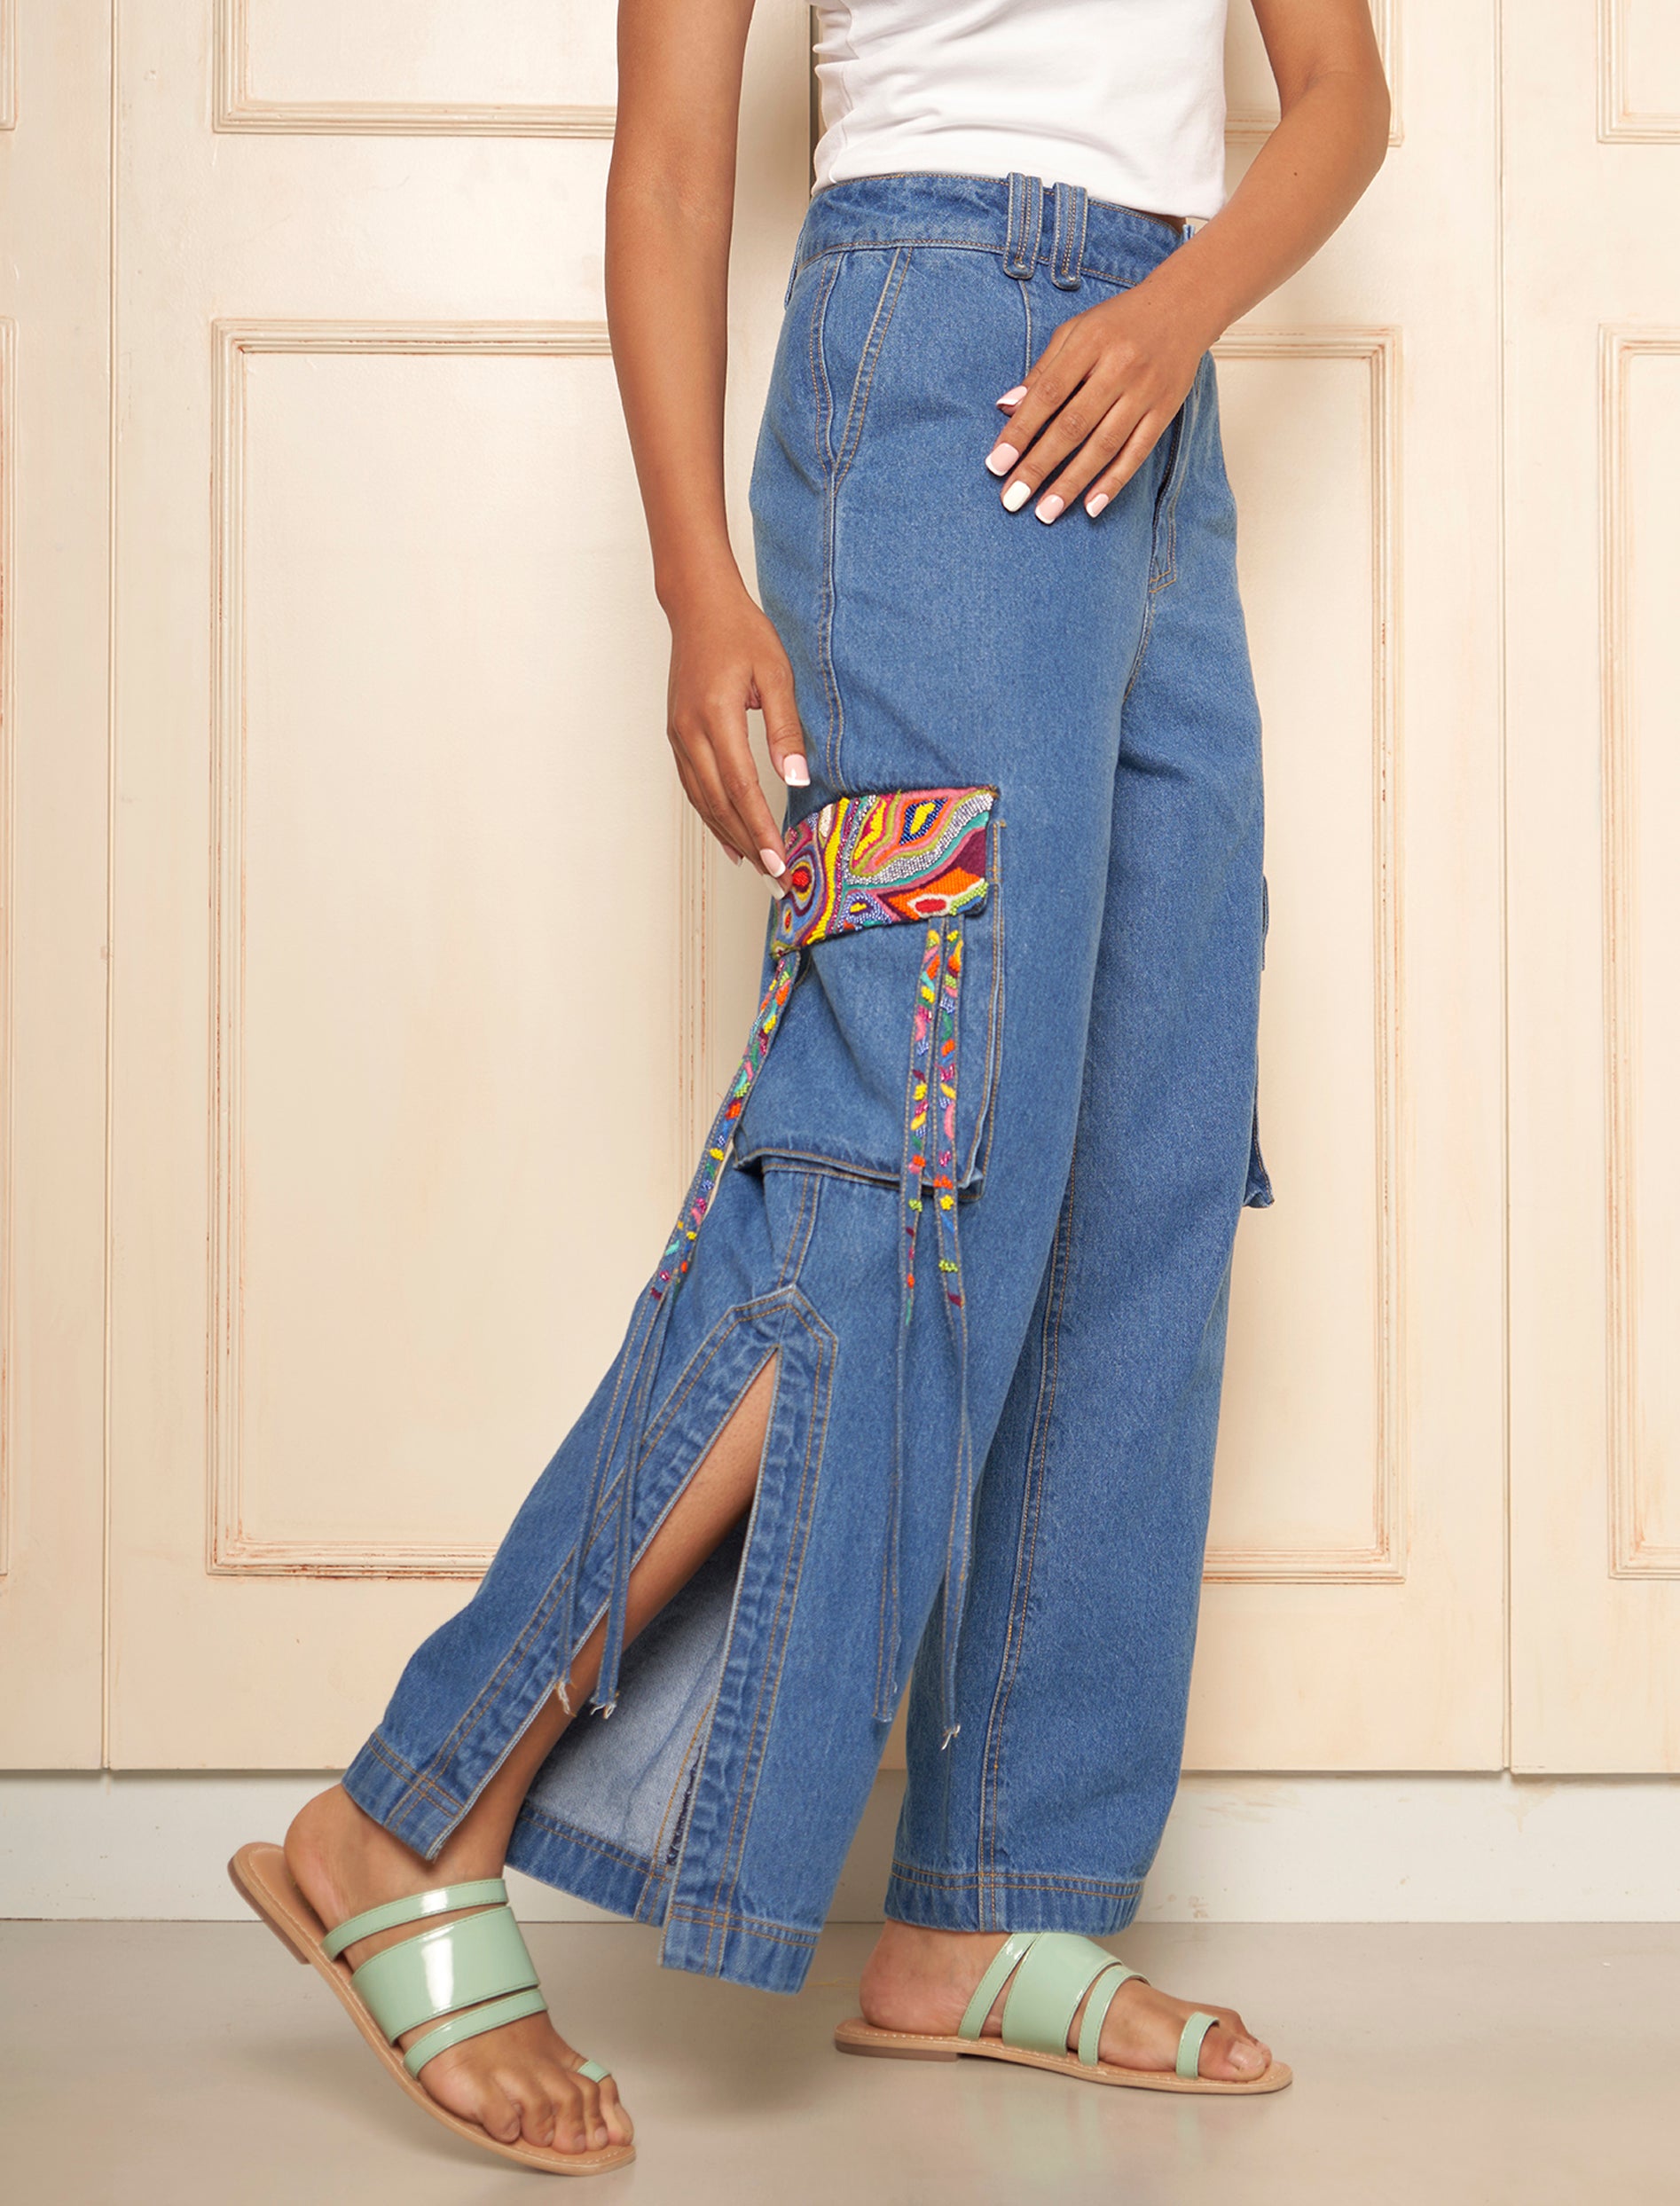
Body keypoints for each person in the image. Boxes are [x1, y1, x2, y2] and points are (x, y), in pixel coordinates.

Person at [231, 0, 1390, 2175]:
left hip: (1162, 412)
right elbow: (675, 161)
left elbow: (1339, 100)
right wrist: (697, 582)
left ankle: (989, 1902)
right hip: (934, 388)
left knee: (1133, 1151)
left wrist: (1174, 315)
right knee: (901, 1149)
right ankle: (409, 1810)